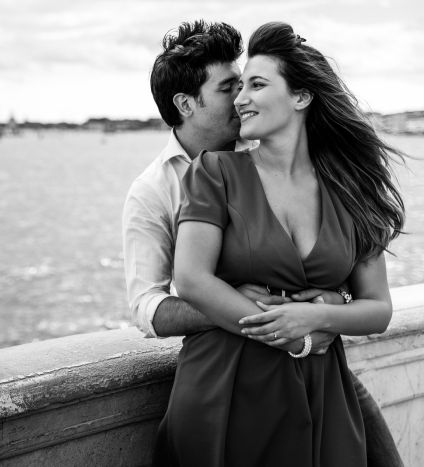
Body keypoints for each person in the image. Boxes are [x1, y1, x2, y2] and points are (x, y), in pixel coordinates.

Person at [122, 20, 404, 466]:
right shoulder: (169, 185)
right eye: (229, 88)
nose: (239, 99)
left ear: (301, 96)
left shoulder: (343, 183)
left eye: (251, 84)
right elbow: (152, 304)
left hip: (320, 371)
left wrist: (326, 307)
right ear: (186, 104)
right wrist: (280, 322)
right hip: (234, 374)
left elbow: (372, 301)